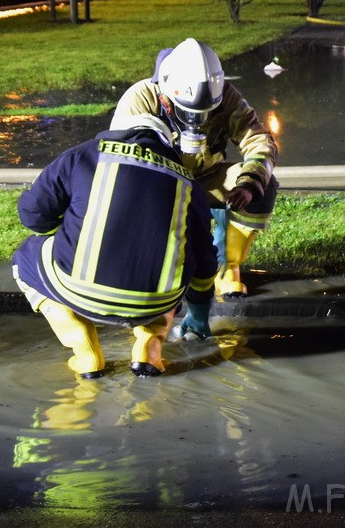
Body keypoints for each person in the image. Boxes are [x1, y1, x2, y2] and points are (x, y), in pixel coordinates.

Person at [12, 114, 218, 378]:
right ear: (167, 146)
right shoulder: (189, 184)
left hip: (77, 291)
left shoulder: (83, 155)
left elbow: (33, 216)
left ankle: (83, 347)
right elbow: (204, 262)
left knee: (24, 256)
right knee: (178, 264)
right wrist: (200, 316)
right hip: (155, 303)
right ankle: (150, 347)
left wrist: (69, 225)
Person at [111, 38, 279, 332]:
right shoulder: (141, 98)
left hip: (207, 175)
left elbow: (258, 140)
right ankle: (155, 278)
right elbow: (121, 160)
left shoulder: (227, 96)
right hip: (157, 181)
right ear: (166, 91)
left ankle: (228, 266)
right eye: (188, 112)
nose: (197, 122)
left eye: (205, 113)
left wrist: (248, 184)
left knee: (264, 189)